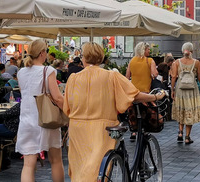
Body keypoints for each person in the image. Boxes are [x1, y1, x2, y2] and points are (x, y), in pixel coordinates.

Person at [63, 42, 163, 182]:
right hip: (101, 128)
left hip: (77, 128)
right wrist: (155, 96)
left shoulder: (73, 78)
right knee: (96, 168)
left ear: (83, 58)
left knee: (80, 168)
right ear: (101, 57)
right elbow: (134, 95)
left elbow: (67, 107)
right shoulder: (111, 76)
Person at [16, 39, 64, 182]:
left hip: (26, 120)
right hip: (45, 119)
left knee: (28, 165)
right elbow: (57, 97)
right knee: (56, 160)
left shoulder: (21, 72)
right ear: (42, 53)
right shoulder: (48, 71)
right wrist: (70, 110)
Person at [169, 42, 200, 144]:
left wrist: (172, 89)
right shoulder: (196, 62)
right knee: (189, 110)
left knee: (181, 109)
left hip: (180, 89)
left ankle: (180, 132)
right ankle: (187, 136)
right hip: (191, 89)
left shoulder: (177, 62)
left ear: (182, 50)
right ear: (192, 51)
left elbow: (173, 77)